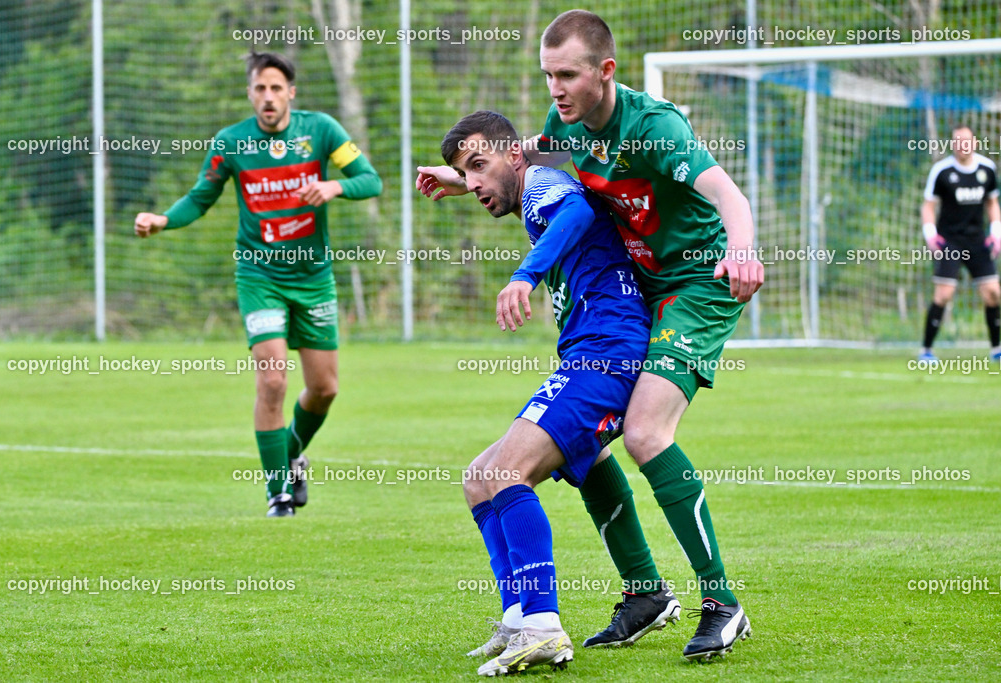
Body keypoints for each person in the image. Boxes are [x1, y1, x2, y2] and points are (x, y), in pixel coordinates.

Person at [417, 10, 761, 662]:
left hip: (696, 282)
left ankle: (721, 601)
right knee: (590, 449)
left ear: (605, 71)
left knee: (645, 433)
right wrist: (465, 180)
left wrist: (742, 250)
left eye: (568, 75)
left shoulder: (655, 128)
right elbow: (520, 168)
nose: (556, 89)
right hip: (640, 289)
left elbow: (728, 194)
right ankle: (645, 592)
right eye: (548, 75)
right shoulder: (561, 129)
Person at [440, 110, 675, 676]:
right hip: (590, 354)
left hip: (607, 353)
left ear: (514, 155)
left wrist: (526, 275)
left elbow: (576, 211)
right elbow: (509, 176)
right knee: (479, 478)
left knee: (506, 472)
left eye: (479, 167)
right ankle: (519, 616)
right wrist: (461, 176)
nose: (473, 183)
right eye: (465, 173)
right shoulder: (530, 182)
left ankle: (544, 627)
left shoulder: (544, 186)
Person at [135, 52, 382, 517]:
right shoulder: (230, 143)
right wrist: (163, 219)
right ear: (249, 94)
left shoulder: (322, 131)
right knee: (272, 379)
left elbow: (371, 181)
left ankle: (290, 455)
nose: (268, 97)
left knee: (325, 389)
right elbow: (200, 197)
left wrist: (334, 187)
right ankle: (278, 494)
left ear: (291, 93)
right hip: (259, 275)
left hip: (313, 276)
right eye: (259, 89)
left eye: (276, 88)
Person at [918, 124, 1000, 363]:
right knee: (944, 294)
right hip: (950, 242)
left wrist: (996, 232)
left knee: (993, 293)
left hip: (977, 241)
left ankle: (997, 349)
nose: (962, 145)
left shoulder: (987, 169)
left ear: (974, 143)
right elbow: (928, 206)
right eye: (957, 141)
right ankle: (926, 350)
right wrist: (930, 234)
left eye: (966, 141)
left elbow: (992, 203)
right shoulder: (942, 171)